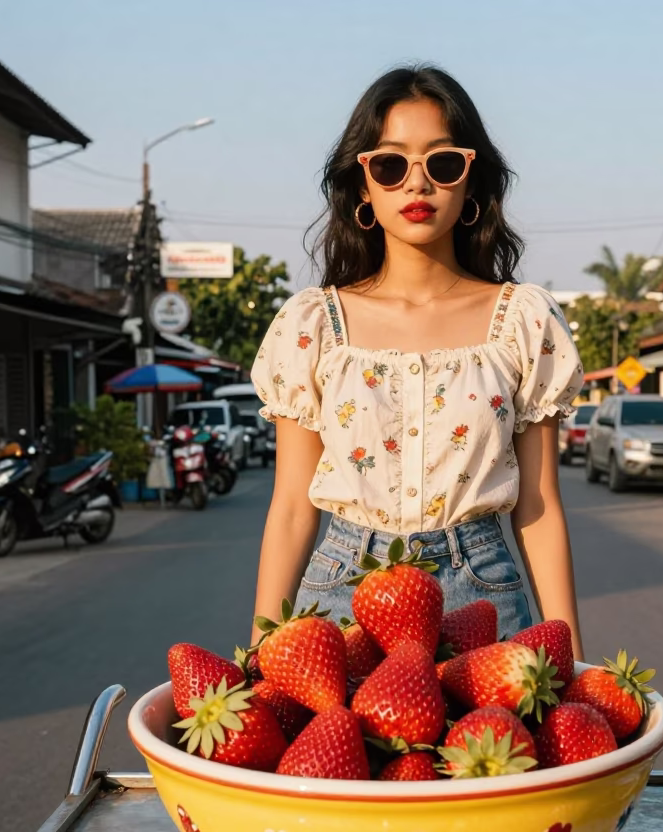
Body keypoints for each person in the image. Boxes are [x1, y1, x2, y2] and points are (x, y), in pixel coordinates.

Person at [250, 65, 585, 659]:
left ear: (471, 181)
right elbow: (292, 509)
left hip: (483, 596)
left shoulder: (525, 322)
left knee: (494, 755)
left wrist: (572, 662)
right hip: (340, 597)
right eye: (390, 164)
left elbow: (539, 507)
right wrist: (258, 654)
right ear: (363, 187)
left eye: (442, 163)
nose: (417, 185)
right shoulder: (312, 326)